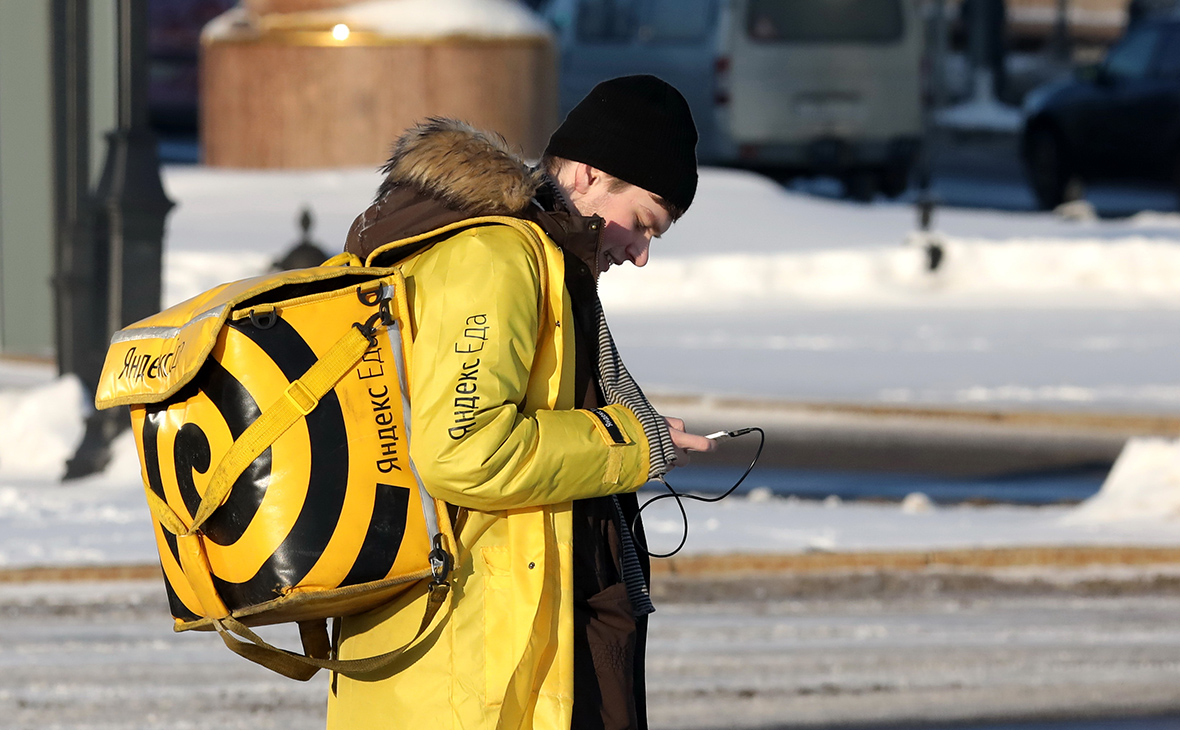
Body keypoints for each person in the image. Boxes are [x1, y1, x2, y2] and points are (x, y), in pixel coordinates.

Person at [326, 75, 713, 730]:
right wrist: (629, 443)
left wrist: (632, 434)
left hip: (466, 650)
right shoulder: (496, 257)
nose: (642, 254)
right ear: (588, 173)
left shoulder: (524, 255)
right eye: (644, 223)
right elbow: (466, 452)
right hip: (469, 669)